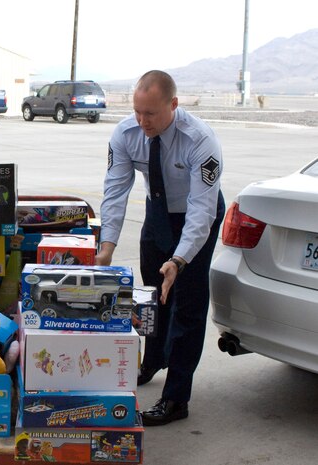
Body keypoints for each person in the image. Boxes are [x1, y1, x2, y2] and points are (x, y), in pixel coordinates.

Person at [96, 70, 225, 426]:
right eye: (138, 111)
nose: (143, 121)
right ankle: (152, 360)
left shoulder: (200, 140)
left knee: (187, 304)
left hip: (197, 215)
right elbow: (115, 191)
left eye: (151, 113)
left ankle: (176, 398)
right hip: (157, 211)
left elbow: (202, 210)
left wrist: (180, 259)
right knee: (152, 296)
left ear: (174, 105)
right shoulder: (125, 133)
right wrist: (107, 246)